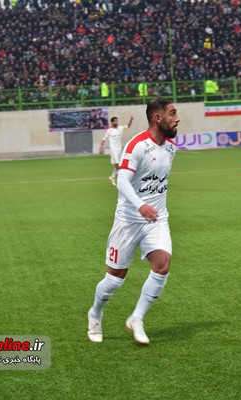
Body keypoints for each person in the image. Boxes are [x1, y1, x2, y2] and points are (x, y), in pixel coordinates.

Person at [87, 98, 180, 345]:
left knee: (162, 265)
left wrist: (150, 208)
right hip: (128, 221)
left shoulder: (171, 147)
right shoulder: (137, 145)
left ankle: (136, 318)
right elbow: (122, 180)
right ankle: (95, 313)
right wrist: (140, 205)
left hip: (156, 219)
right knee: (114, 280)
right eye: (172, 113)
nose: (177, 118)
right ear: (158, 118)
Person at [99, 115, 134, 186]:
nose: (116, 122)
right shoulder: (109, 131)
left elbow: (128, 126)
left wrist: (131, 119)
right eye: (115, 121)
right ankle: (121, 179)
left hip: (119, 149)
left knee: (120, 164)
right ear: (112, 122)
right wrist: (101, 148)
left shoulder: (120, 128)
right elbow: (103, 139)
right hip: (113, 150)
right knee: (117, 164)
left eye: (117, 121)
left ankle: (112, 177)